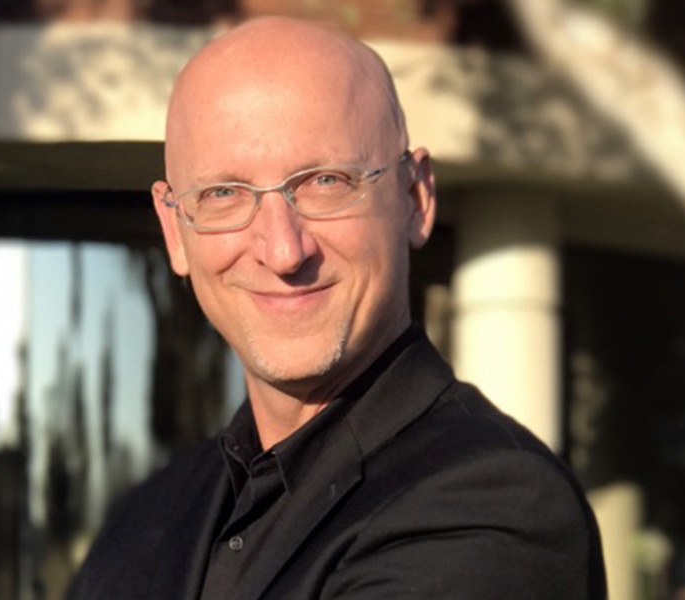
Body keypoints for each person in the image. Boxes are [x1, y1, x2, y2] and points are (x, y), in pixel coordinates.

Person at [68, 16, 606, 600]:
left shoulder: (495, 508)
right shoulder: (147, 520)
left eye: (325, 181)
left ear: (415, 198)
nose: (282, 249)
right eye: (223, 194)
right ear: (175, 230)